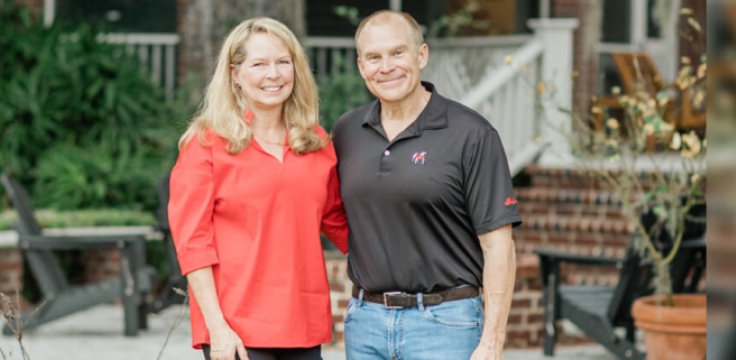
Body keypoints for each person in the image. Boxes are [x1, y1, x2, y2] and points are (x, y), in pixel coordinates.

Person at [332, 10, 522, 360]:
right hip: (366, 323)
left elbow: (500, 248)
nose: (386, 67)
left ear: (421, 55)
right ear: (361, 66)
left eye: (398, 53)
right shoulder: (346, 132)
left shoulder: (471, 134)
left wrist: (492, 341)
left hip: (446, 323)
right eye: (374, 57)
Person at [168, 17, 348, 360]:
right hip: (236, 330)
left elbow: (341, 224)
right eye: (259, 64)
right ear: (235, 74)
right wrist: (217, 328)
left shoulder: (315, 142)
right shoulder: (206, 143)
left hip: (303, 325)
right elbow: (192, 243)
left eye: (283, 62)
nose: (274, 74)